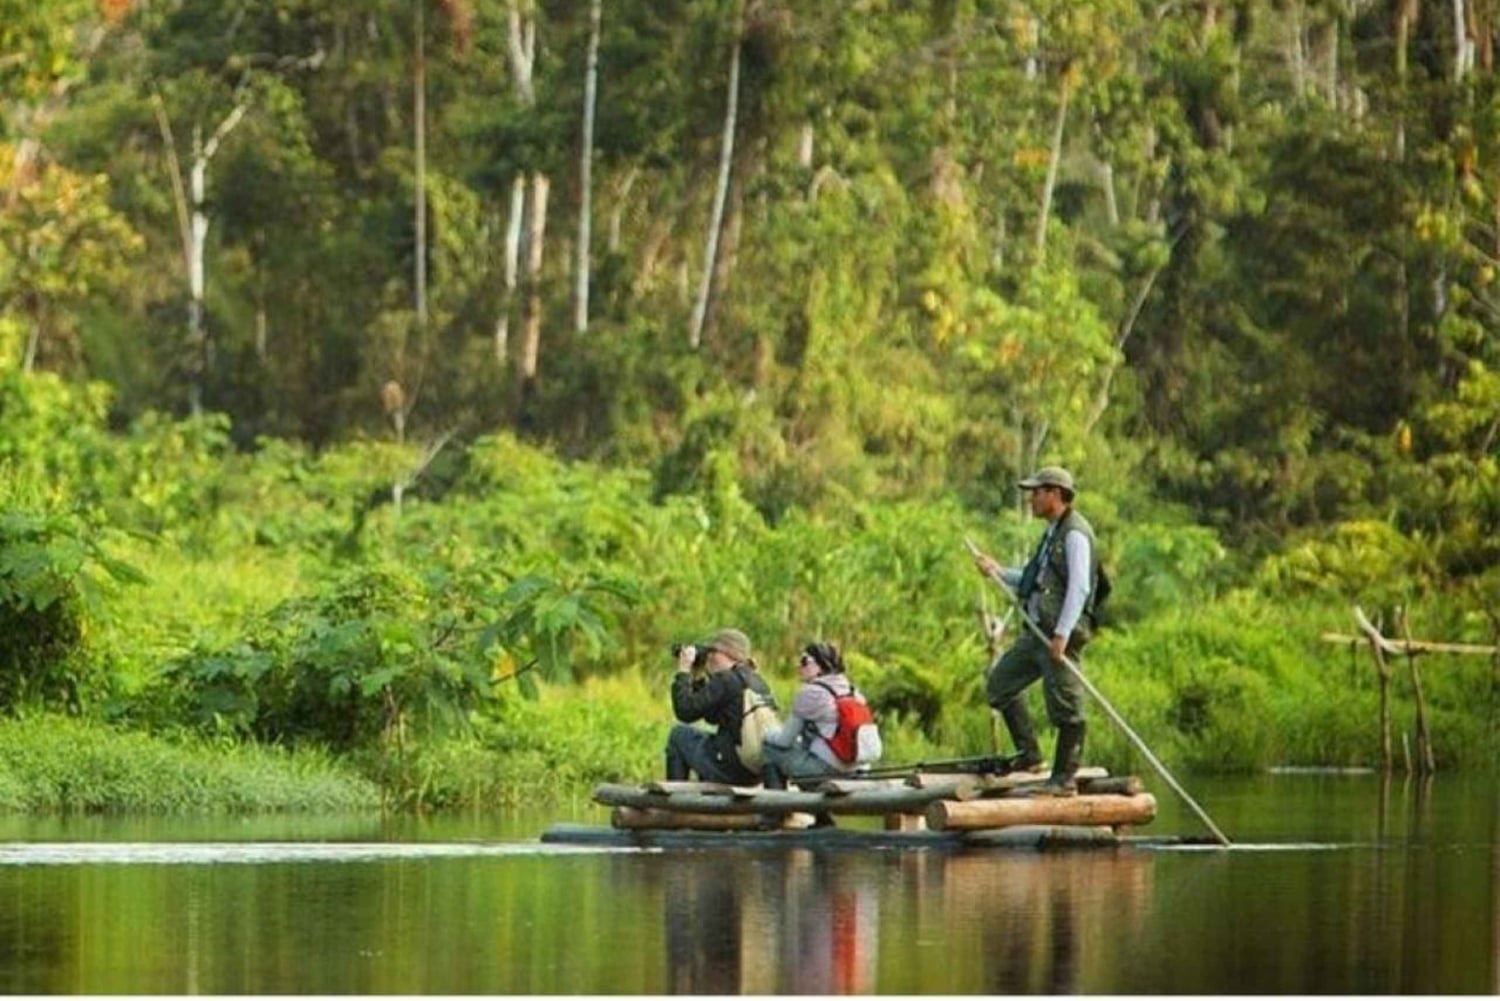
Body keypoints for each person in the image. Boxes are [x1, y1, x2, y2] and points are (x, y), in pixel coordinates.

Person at [971, 466, 1102, 796]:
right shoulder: (1051, 533)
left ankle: (1064, 778)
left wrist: (1062, 633)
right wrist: (998, 572)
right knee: (1000, 686)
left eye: (1036, 492)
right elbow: (1037, 580)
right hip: (1037, 633)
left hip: (1057, 635)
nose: (1031, 499)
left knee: (1066, 706)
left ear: (1055, 494)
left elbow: (1080, 587)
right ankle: (1030, 756)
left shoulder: (1074, 534)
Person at [665, 627, 776, 785]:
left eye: (712, 652)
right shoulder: (756, 680)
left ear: (727, 652)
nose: (709, 657)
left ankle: (674, 801)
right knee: (708, 740)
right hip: (753, 773)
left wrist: (683, 671)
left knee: (678, 735)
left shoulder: (727, 679)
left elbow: (685, 712)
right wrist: (697, 676)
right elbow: (711, 716)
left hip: (730, 769)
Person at [760, 642, 866, 788]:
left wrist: (767, 733)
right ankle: (817, 809)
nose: (799, 666)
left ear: (821, 665)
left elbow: (784, 740)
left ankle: (775, 807)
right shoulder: (853, 691)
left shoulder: (812, 693)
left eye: (804, 661)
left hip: (829, 771)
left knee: (769, 747)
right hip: (858, 769)